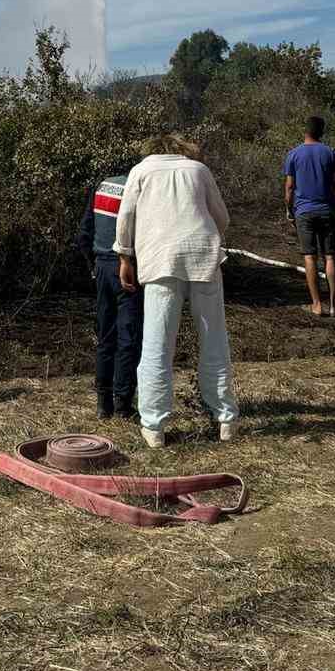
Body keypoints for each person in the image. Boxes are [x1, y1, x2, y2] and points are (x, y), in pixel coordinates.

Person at [113, 134, 238, 449]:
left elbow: (125, 217)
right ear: (181, 149)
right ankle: (226, 420)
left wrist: (125, 256)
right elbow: (221, 217)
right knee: (214, 340)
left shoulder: (140, 171)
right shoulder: (198, 170)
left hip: (160, 259)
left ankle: (154, 427)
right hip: (203, 257)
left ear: (151, 148)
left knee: (157, 343)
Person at [76, 170, 143, 419]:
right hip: (129, 266)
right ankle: (123, 403)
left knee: (106, 335)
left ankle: (103, 402)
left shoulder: (103, 185)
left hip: (102, 266)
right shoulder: (137, 189)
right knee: (129, 337)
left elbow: (84, 233)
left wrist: (93, 266)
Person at [282, 117, 335, 316]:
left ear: (305, 131)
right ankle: (333, 305)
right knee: (330, 256)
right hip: (327, 210)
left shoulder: (294, 154)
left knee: (310, 258)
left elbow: (289, 187)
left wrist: (289, 210)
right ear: (321, 132)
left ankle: (316, 304)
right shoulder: (330, 152)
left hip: (304, 211)